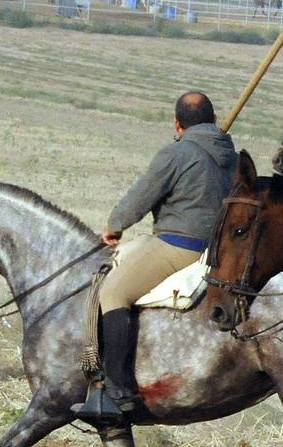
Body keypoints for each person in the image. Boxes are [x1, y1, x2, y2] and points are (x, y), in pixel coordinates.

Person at [73, 91, 237, 422]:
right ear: (213, 121)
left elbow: (143, 194)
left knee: (113, 292)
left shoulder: (178, 152)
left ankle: (116, 391)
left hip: (179, 245)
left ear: (177, 124)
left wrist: (115, 225)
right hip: (220, 248)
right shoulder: (230, 155)